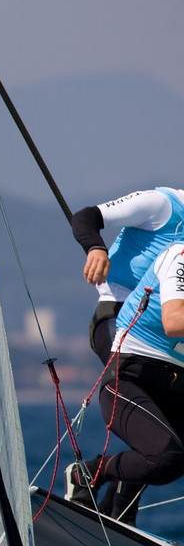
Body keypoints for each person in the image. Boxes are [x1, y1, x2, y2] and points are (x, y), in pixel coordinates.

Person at [68, 189, 184, 520]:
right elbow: (85, 217)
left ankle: (117, 513)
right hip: (119, 315)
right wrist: (95, 248)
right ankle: (108, 495)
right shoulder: (163, 205)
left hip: (163, 334)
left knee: (160, 425)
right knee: (152, 415)